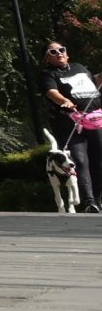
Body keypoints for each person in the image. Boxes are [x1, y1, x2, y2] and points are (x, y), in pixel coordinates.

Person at [37, 38, 102, 213]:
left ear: (67, 53)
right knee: (79, 160)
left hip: (95, 120)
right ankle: (88, 202)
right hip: (68, 123)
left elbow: (94, 81)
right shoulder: (48, 74)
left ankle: (96, 199)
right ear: (47, 58)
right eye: (53, 52)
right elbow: (51, 92)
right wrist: (65, 101)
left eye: (61, 50)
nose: (59, 53)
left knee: (99, 159)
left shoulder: (80, 67)